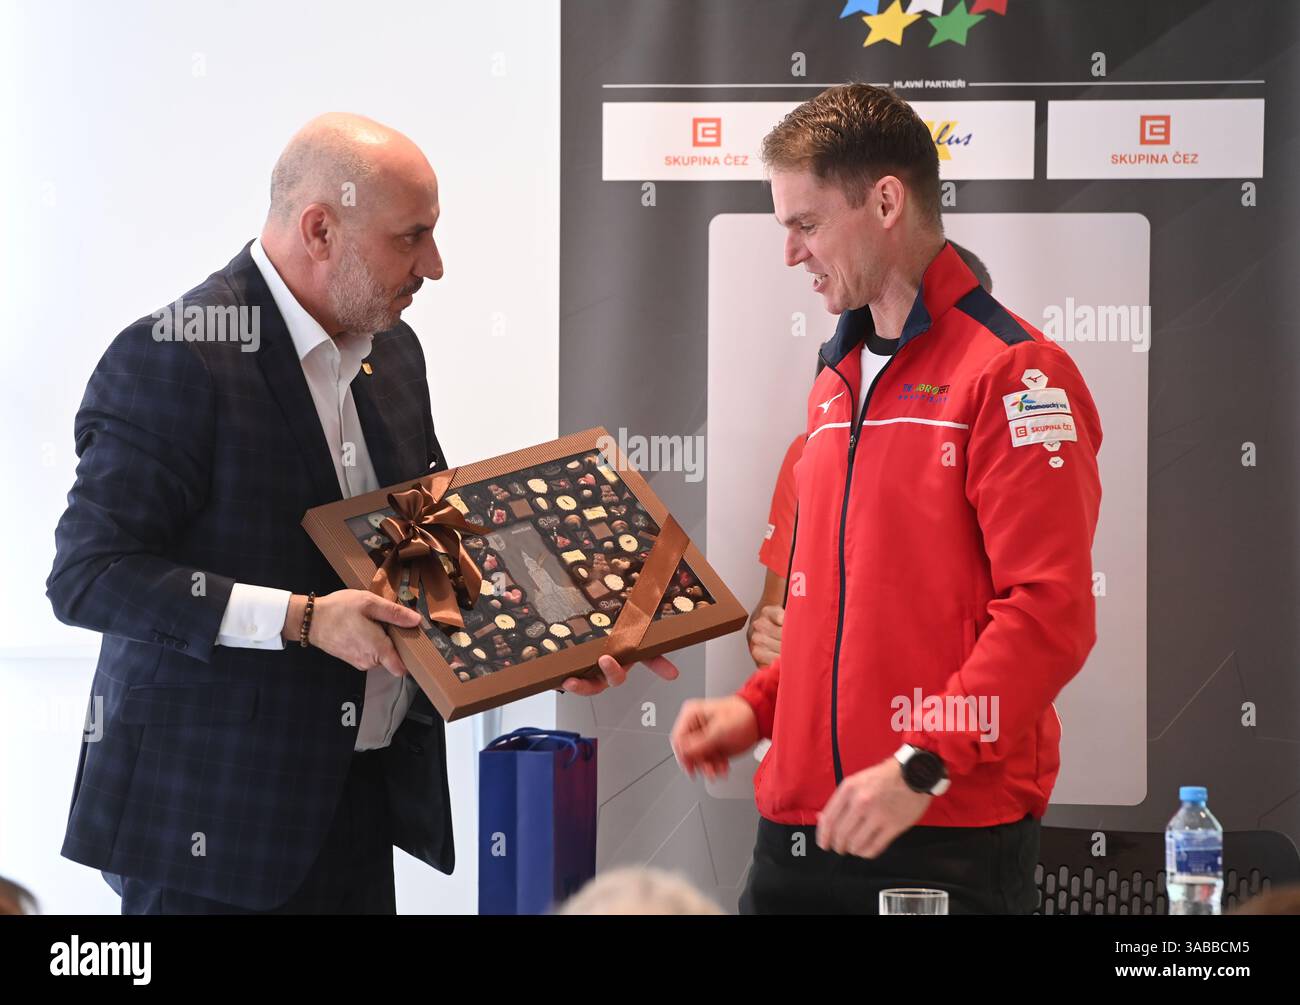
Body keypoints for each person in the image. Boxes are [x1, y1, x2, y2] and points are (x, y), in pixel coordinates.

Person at [46, 112, 670, 914]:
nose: (435, 265)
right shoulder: (174, 355)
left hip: (358, 805)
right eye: (412, 237)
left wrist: (550, 638)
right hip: (210, 827)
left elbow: (427, 548)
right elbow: (90, 575)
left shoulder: (395, 351)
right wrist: (304, 619)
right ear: (320, 230)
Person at [670, 84, 1103, 914]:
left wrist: (920, 765)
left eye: (805, 223)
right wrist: (758, 709)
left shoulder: (1014, 372)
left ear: (885, 201)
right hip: (796, 830)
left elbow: (1050, 614)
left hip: (942, 829)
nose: (790, 253)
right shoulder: (836, 377)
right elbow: (836, 615)